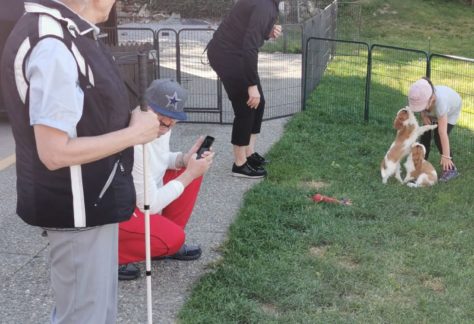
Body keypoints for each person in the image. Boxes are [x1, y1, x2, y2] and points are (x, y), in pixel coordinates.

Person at [0, 0, 161, 322]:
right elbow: (55, 152)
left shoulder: (68, 33)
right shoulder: (52, 44)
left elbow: (84, 114)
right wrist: (134, 135)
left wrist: (129, 123)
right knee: (84, 315)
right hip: (78, 207)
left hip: (92, 201)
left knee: (92, 311)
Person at [118, 79, 215, 280]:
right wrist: (188, 174)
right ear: (145, 108)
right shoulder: (135, 138)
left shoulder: (158, 126)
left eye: (172, 123)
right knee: (190, 176)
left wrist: (182, 160)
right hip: (124, 210)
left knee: (193, 169)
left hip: (143, 197)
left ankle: (163, 244)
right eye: (162, 120)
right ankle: (111, 255)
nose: (165, 128)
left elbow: (159, 160)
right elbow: (148, 206)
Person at [206, 0, 282, 179]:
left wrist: (268, 31)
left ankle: (249, 154)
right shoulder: (265, 5)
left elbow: (249, 29)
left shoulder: (269, 4)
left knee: (259, 103)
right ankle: (239, 165)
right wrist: (251, 84)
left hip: (235, 52)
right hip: (226, 55)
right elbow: (249, 47)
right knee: (247, 105)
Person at [407, 77, 462, 182]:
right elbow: (422, 108)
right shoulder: (418, 96)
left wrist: (446, 156)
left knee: (438, 136)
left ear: (431, 99)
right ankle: (420, 165)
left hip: (450, 111)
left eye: (422, 107)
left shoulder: (441, 104)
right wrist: (424, 115)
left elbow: (443, 133)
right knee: (425, 135)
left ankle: (451, 169)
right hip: (432, 109)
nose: (421, 108)